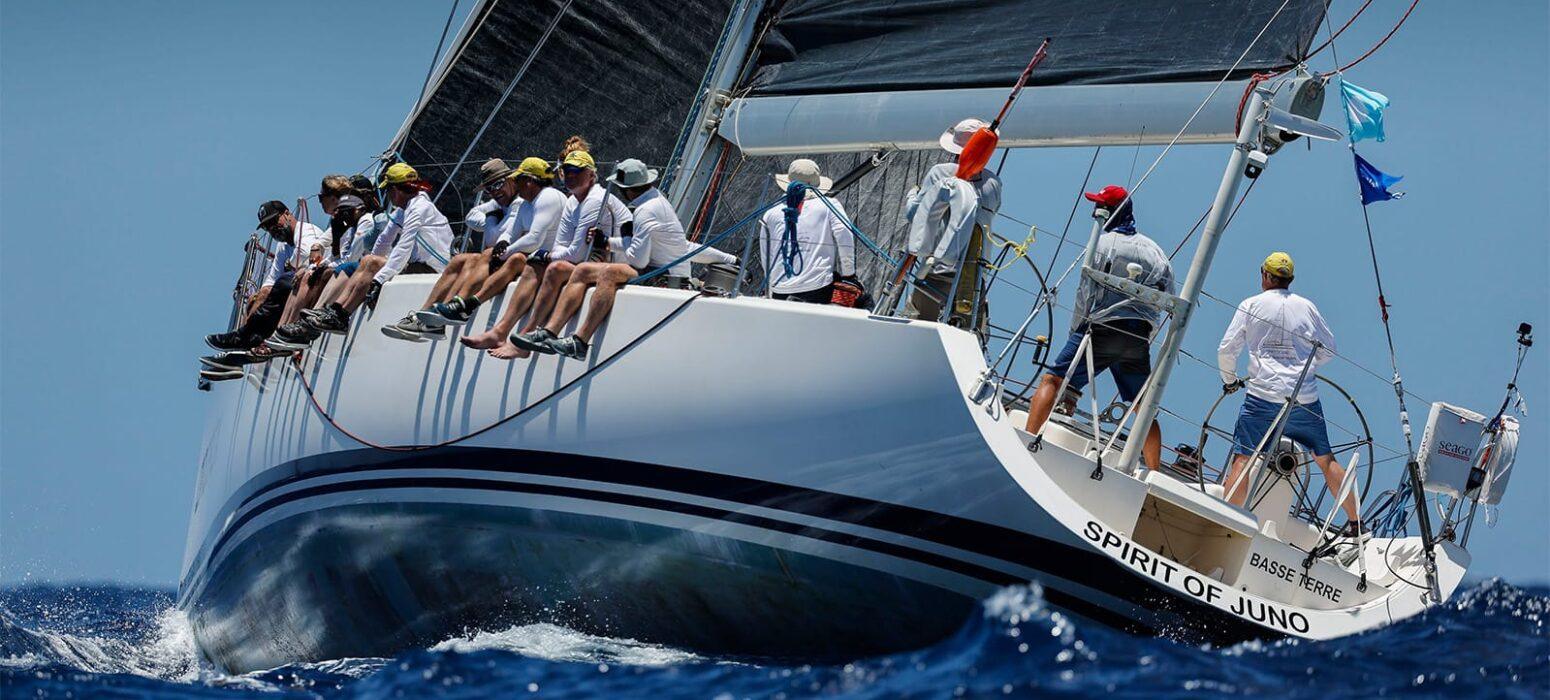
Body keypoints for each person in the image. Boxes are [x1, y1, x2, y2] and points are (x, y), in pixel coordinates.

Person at [1022, 186, 1171, 471]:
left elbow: (1085, 294)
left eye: (1100, 206)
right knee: (1143, 408)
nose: (1094, 211)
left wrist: (1076, 332)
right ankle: (1155, 473)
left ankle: (1027, 441)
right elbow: (1165, 301)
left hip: (1100, 330)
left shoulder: (1101, 243)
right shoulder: (1156, 252)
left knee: (1052, 381)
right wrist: (1144, 337)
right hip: (1137, 336)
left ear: (1109, 212)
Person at [1218, 252, 1359, 533]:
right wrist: (1301, 366)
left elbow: (1226, 349)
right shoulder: (1307, 307)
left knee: (1243, 458)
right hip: (1303, 397)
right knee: (1325, 459)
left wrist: (1230, 380)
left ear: (1266, 276)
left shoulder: (1251, 305)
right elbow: (1329, 349)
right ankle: (1357, 523)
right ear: (1289, 279)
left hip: (1262, 397)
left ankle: (1227, 521)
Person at [510, 158, 701, 359]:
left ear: (625, 189)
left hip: (663, 274)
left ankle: (580, 341)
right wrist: (607, 242)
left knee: (609, 273)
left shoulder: (646, 211)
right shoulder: (655, 201)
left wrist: (625, 237)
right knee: (583, 269)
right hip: (659, 268)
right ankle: (548, 332)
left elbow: (639, 260)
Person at [497, 148, 631, 358]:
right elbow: (563, 245)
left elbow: (575, 254)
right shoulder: (571, 201)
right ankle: (524, 333)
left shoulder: (595, 200)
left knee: (557, 266)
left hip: (619, 265)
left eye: (576, 171)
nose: (570, 175)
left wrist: (550, 255)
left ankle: (533, 335)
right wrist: (551, 256)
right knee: (540, 266)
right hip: (591, 261)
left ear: (592, 175)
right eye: (566, 170)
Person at [381, 158, 525, 341]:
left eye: (498, 184)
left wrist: (491, 221)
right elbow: (471, 216)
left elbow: (501, 237)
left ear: (512, 179)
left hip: (516, 258)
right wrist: (490, 219)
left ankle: (452, 309)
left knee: (485, 254)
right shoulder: (499, 203)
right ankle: (425, 314)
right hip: (500, 256)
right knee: (460, 259)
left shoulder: (520, 203)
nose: (494, 191)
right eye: (489, 188)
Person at [304, 163, 453, 334]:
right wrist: (368, 267)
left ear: (395, 190)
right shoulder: (404, 209)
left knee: (372, 262)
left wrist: (377, 280)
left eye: (388, 191)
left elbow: (403, 248)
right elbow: (384, 241)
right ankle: (337, 312)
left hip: (433, 269)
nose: (387, 195)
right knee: (369, 260)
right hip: (417, 264)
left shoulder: (419, 209)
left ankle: (342, 314)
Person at [903, 118, 1004, 324]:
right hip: (973, 279)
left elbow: (917, 215)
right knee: (966, 335)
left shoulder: (940, 172)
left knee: (918, 327)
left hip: (936, 271)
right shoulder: (994, 183)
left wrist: (912, 196)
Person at [203, 200, 329, 359]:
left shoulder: (307, 231)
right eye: (266, 227)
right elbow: (269, 283)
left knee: (284, 282)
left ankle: (249, 338)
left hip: (319, 286)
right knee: (260, 296)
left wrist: (289, 268)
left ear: (287, 214)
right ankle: (243, 339)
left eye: (273, 222)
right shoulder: (283, 246)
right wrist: (258, 299)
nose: (271, 229)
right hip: (298, 290)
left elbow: (304, 255)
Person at [757, 158, 858, 303]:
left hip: (780, 290)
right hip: (818, 287)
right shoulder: (830, 205)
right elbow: (844, 236)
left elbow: (766, 254)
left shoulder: (770, 214)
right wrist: (849, 275)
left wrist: (770, 286)